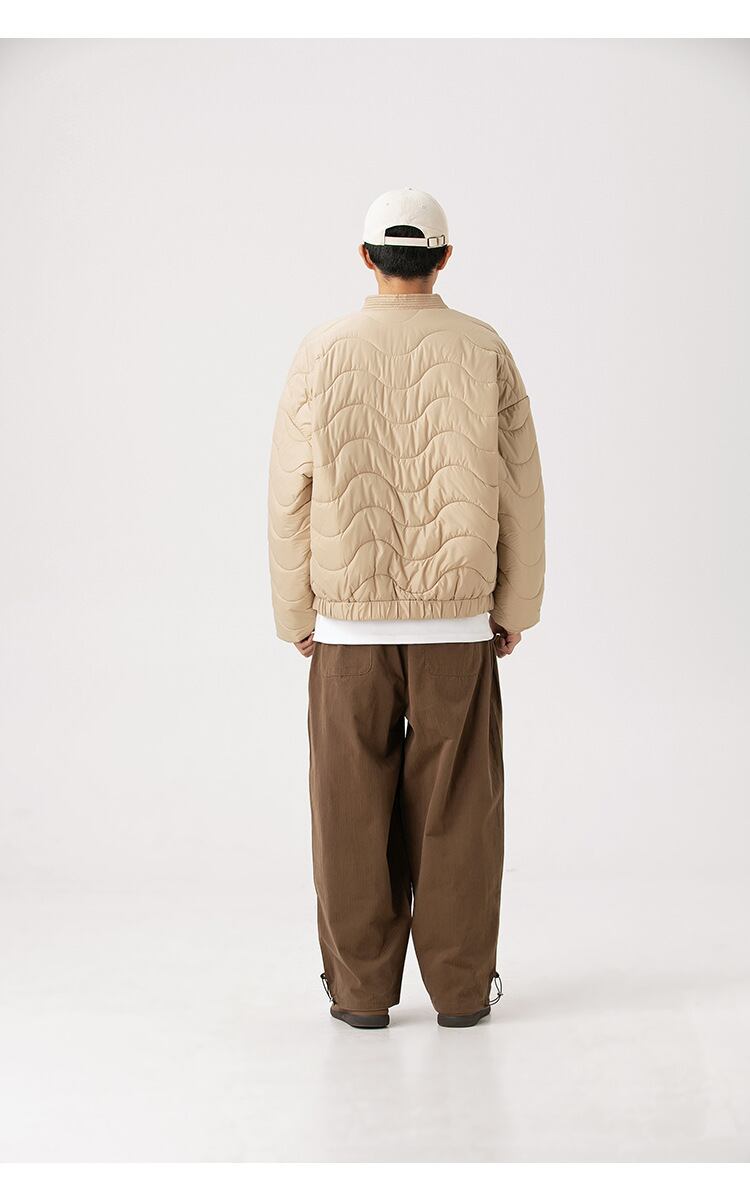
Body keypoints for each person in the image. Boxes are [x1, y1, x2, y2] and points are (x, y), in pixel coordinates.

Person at [268, 187, 545, 1029]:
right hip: (457, 625)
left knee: (348, 815)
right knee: (461, 814)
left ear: (366, 258)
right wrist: (514, 605)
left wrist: (296, 614)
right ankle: (461, 995)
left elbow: (288, 493)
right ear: (444, 258)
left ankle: (359, 996)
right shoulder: (484, 348)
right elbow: (519, 489)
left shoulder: (322, 350)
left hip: (347, 632)